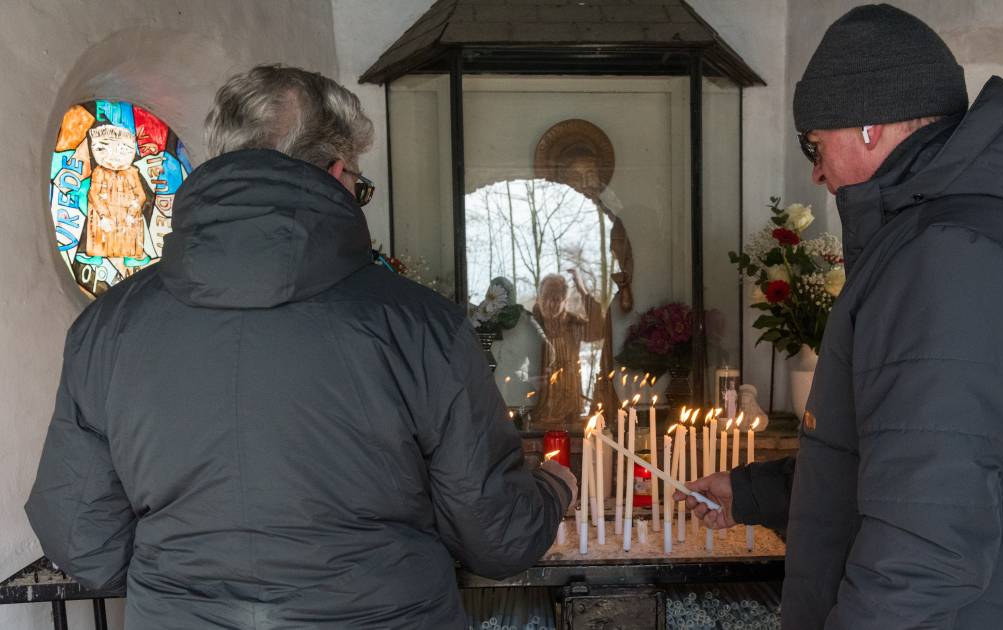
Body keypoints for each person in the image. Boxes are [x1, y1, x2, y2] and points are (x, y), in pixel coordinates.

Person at [26, 64, 576, 629]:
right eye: (360, 188)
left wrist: (187, 586)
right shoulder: (419, 326)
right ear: (337, 174)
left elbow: (80, 533)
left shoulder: (109, 327)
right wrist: (555, 487)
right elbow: (497, 537)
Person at [680, 5, 1003, 629]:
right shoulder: (954, 237)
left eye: (815, 144)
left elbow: (925, 545)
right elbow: (906, 460)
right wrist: (754, 494)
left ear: (869, 126)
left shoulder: (954, 254)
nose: (816, 170)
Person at [530, 269, 605, 429]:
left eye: (556, 299)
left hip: (570, 412)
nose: (550, 304)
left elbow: (598, 330)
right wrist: (530, 381)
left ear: (565, 301)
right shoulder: (530, 326)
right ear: (538, 298)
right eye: (546, 298)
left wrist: (581, 289)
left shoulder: (573, 325)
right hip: (538, 411)